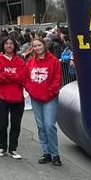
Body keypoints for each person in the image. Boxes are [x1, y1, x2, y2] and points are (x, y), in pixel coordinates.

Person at [26, 38, 62, 166]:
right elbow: (26, 79)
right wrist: (30, 90)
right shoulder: (30, 62)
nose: (37, 48)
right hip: (35, 98)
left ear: (44, 45)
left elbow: (57, 79)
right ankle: (46, 152)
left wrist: (49, 93)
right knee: (41, 126)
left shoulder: (54, 61)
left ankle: (55, 154)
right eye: (34, 46)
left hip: (50, 98)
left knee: (49, 125)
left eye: (39, 45)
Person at [0, 36, 26, 159]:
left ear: (15, 46)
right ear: (3, 46)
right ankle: (2, 147)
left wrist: (8, 75)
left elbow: (22, 78)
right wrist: (14, 75)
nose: (9, 45)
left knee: (15, 125)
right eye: (6, 43)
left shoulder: (20, 61)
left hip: (18, 98)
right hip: (3, 97)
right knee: (2, 124)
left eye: (11, 43)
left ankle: (13, 148)